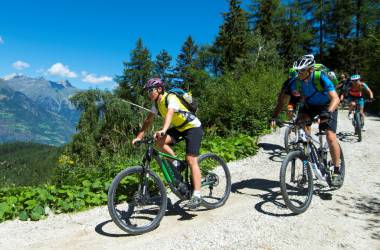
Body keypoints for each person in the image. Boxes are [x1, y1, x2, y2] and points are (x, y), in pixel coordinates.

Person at [131, 78, 204, 209]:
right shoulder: (156, 104)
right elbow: (148, 121)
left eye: (150, 90)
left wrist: (164, 129)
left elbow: (170, 113)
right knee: (158, 142)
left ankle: (197, 195)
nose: (149, 94)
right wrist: (139, 136)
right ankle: (177, 164)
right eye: (147, 91)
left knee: (191, 159)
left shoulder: (170, 97)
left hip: (193, 127)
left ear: (159, 89)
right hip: (180, 127)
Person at [290, 54, 343, 186]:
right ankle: (309, 154)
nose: (299, 73)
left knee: (330, 137)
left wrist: (327, 113)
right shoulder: (297, 81)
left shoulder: (321, 77)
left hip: (327, 106)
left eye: (302, 70)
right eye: (297, 71)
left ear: (311, 70)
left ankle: (336, 170)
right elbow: (295, 98)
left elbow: (335, 98)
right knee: (300, 124)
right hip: (310, 106)